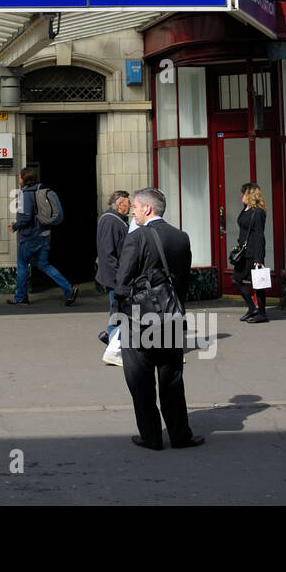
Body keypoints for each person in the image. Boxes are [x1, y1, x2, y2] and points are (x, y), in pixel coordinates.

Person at [114, 187, 203, 450]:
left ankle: (151, 437)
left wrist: (119, 316)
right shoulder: (180, 237)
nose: (133, 211)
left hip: (139, 319)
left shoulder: (137, 238)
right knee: (172, 378)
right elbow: (184, 281)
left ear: (147, 209)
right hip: (171, 316)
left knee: (140, 380)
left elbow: (122, 283)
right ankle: (180, 435)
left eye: (136, 207)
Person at [7, 167, 77, 306]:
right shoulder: (41, 191)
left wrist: (15, 226)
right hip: (45, 235)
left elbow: (26, 218)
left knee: (22, 265)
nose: (19, 179)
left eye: (20, 177)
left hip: (30, 238)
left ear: (23, 178)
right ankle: (69, 289)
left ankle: (21, 297)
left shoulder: (25, 194)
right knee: (43, 264)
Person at [96, 191, 131, 366]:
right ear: (119, 204)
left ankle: (112, 340)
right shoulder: (111, 220)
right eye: (128, 202)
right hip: (115, 277)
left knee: (117, 311)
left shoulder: (113, 219)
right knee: (118, 312)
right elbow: (108, 253)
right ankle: (113, 347)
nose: (130, 206)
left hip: (115, 276)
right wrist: (120, 278)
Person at [231, 182, 269, 323]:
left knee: (257, 283)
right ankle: (252, 307)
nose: (241, 195)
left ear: (250, 195)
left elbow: (259, 235)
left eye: (243, 193)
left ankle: (262, 314)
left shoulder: (258, 212)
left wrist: (258, 257)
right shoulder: (245, 209)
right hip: (243, 252)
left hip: (253, 253)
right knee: (236, 279)